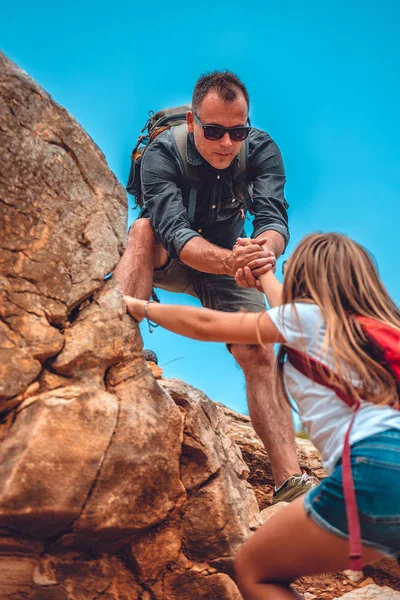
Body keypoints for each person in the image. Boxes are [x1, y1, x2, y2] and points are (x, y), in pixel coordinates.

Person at [124, 232, 400, 599]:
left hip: (375, 469)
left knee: (254, 570)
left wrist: (136, 306)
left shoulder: (308, 320)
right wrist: (263, 271)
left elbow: (206, 325)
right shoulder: (383, 330)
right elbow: (288, 310)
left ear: (305, 279)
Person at [115, 70, 316, 502]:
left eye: (237, 131)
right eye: (214, 131)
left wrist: (264, 252)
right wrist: (233, 261)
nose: (227, 143)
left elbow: (273, 220)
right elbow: (178, 237)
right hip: (177, 257)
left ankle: (291, 484)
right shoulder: (160, 156)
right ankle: (117, 346)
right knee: (142, 231)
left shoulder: (261, 150)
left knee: (259, 350)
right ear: (191, 122)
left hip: (233, 260)